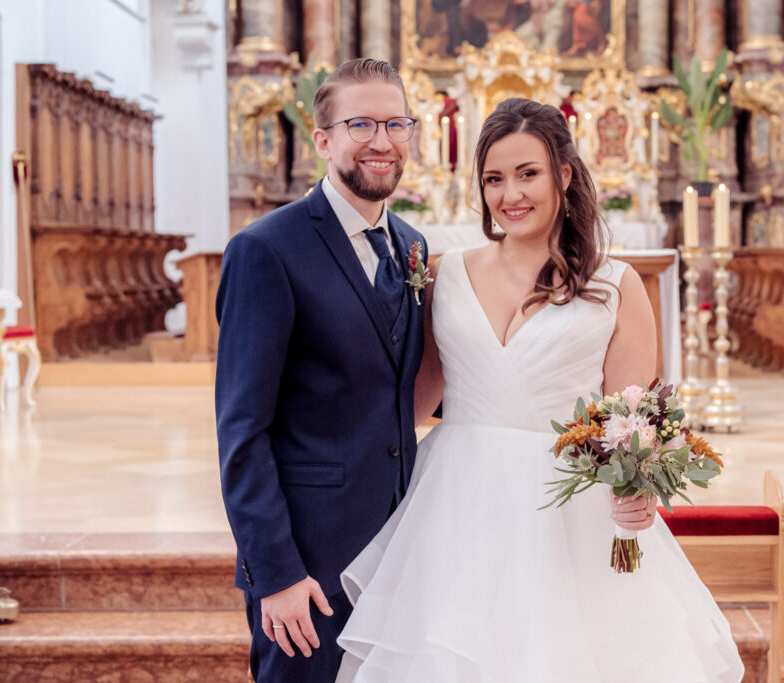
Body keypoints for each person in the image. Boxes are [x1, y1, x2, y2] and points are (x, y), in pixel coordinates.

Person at [335, 98, 744, 682]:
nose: (511, 195)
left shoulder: (615, 285)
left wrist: (639, 488)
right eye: (494, 179)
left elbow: (630, 420)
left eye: (528, 173)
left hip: (568, 510)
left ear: (565, 175)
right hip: (456, 505)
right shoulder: (444, 272)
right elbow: (416, 400)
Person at [215, 58, 427, 682]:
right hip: (306, 562)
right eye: (361, 124)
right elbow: (242, 430)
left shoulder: (410, 245)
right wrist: (275, 573)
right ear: (323, 139)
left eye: (396, 124)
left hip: (397, 550)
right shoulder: (266, 250)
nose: (382, 141)